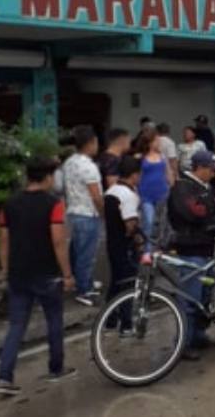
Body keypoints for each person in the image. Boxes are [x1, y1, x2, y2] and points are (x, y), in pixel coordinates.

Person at [0, 157, 77, 396]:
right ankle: (56, 368)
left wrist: (4, 270)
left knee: (16, 326)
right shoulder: (54, 204)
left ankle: (4, 376)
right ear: (48, 177)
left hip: (19, 274)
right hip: (47, 273)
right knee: (54, 320)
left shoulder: (9, 204)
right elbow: (58, 241)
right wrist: (67, 274)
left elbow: (4, 240)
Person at [168, 151, 215, 360]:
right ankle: (183, 343)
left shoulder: (207, 188)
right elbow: (194, 212)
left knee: (205, 296)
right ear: (200, 168)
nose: (214, 172)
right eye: (211, 168)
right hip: (190, 249)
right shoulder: (183, 187)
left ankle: (199, 335)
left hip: (207, 248)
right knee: (190, 299)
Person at [62, 125, 104, 307]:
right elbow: (96, 195)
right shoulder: (89, 167)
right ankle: (84, 290)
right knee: (86, 254)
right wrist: (103, 213)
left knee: (76, 251)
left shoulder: (69, 162)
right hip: (88, 213)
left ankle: (81, 281)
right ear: (90, 143)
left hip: (74, 212)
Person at [103, 156, 142, 334]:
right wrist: (137, 241)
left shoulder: (112, 190)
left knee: (116, 282)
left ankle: (109, 319)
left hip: (112, 243)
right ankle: (126, 324)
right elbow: (130, 225)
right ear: (134, 175)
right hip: (125, 245)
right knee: (128, 284)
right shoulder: (128, 195)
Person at [136, 131, 174, 249]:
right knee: (149, 220)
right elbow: (137, 176)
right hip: (145, 194)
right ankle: (147, 248)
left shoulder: (162, 156)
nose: (159, 143)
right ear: (150, 142)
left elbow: (168, 173)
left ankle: (157, 247)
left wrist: (172, 185)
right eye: (157, 141)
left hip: (162, 193)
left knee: (162, 222)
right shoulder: (140, 157)